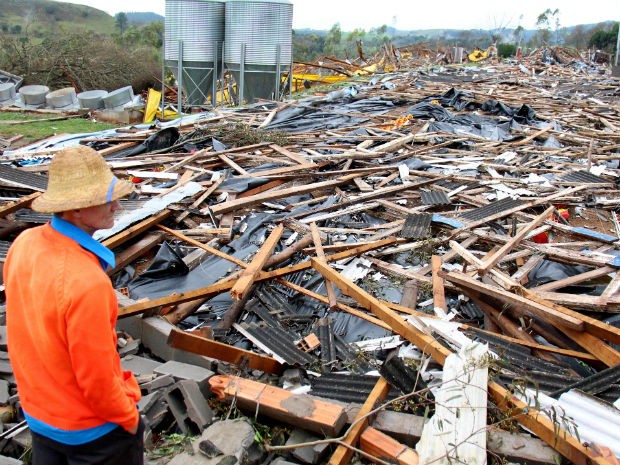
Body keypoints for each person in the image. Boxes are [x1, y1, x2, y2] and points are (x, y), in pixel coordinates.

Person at [4, 146, 144, 465]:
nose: (117, 205)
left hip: (41, 417)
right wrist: (129, 418)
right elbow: (96, 378)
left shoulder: (24, 244)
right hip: (94, 434)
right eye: (106, 198)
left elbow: (21, 330)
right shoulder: (86, 282)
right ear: (75, 210)